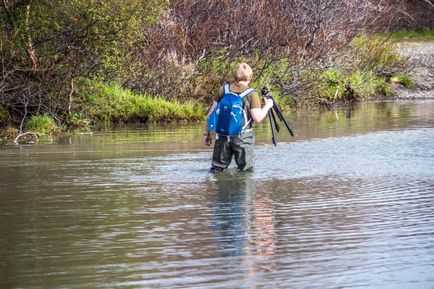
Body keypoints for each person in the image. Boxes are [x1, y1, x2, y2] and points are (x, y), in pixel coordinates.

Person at [203, 63, 274, 172]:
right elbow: (257, 118)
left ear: (235, 76)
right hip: (242, 138)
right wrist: (268, 105)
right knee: (246, 172)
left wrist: (207, 134)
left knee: (217, 170)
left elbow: (211, 115)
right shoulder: (252, 94)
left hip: (222, 137)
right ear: (250, 77)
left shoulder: (223, 90)